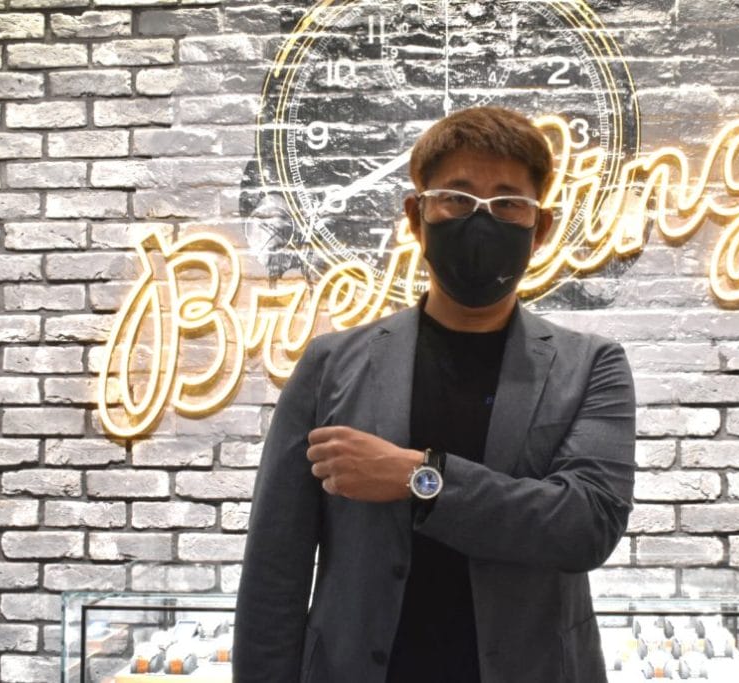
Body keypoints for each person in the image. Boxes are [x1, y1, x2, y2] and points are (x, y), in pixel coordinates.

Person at [234, 106, 636, 683]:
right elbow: (276, 568)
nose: (482, 218)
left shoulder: (592, 366)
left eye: (508, 202)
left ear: (541, 228)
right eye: (456, 198)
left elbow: (586, 525)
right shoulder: (330, 365)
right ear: (416, 217)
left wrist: (420, 478)